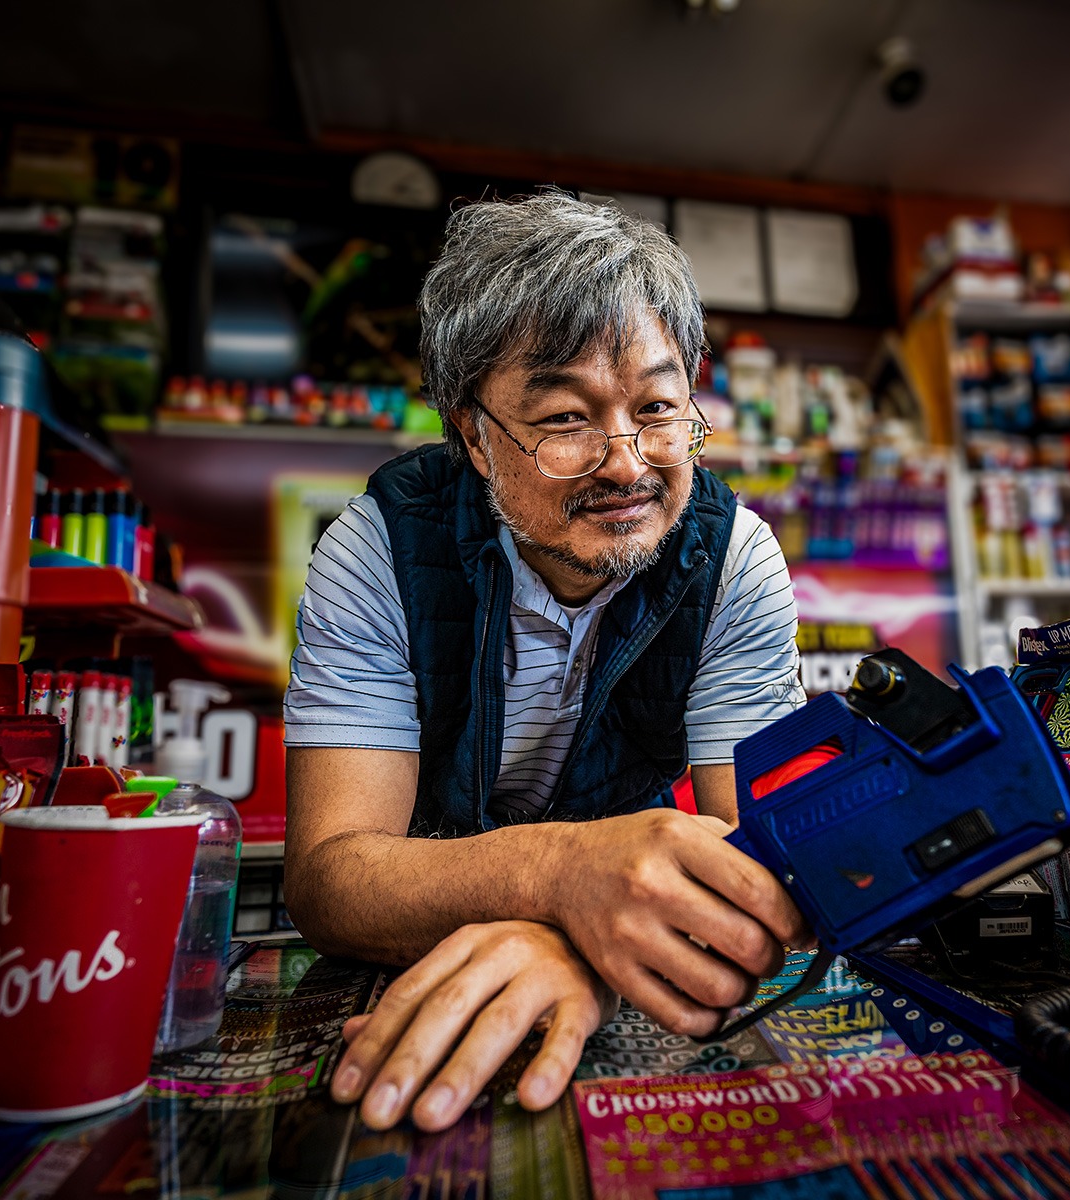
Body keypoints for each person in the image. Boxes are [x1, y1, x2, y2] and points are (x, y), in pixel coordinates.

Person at [283, 192, 810, 1133]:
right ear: (475, 434)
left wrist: (582, 948)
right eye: (566, 418)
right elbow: (331, 880)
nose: (626, 463)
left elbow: (770, 868)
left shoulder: (734, 560)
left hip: (598, 978)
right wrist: (562, 875)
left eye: (657, 407)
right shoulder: (378, 550)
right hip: (414, 965)